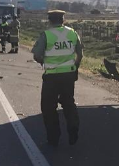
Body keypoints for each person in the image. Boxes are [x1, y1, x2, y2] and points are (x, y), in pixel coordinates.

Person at [32, 9, 84, 147]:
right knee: (68, 103)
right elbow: (80, 54)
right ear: (63, 20)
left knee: (48, 107)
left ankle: (53, 138)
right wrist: (75, 67)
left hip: (51, 77)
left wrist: (43, 62)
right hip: (68, 76)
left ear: (50, 20)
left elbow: (37, 55)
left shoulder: (46, 35)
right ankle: (73, 127)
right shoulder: (73, 33)